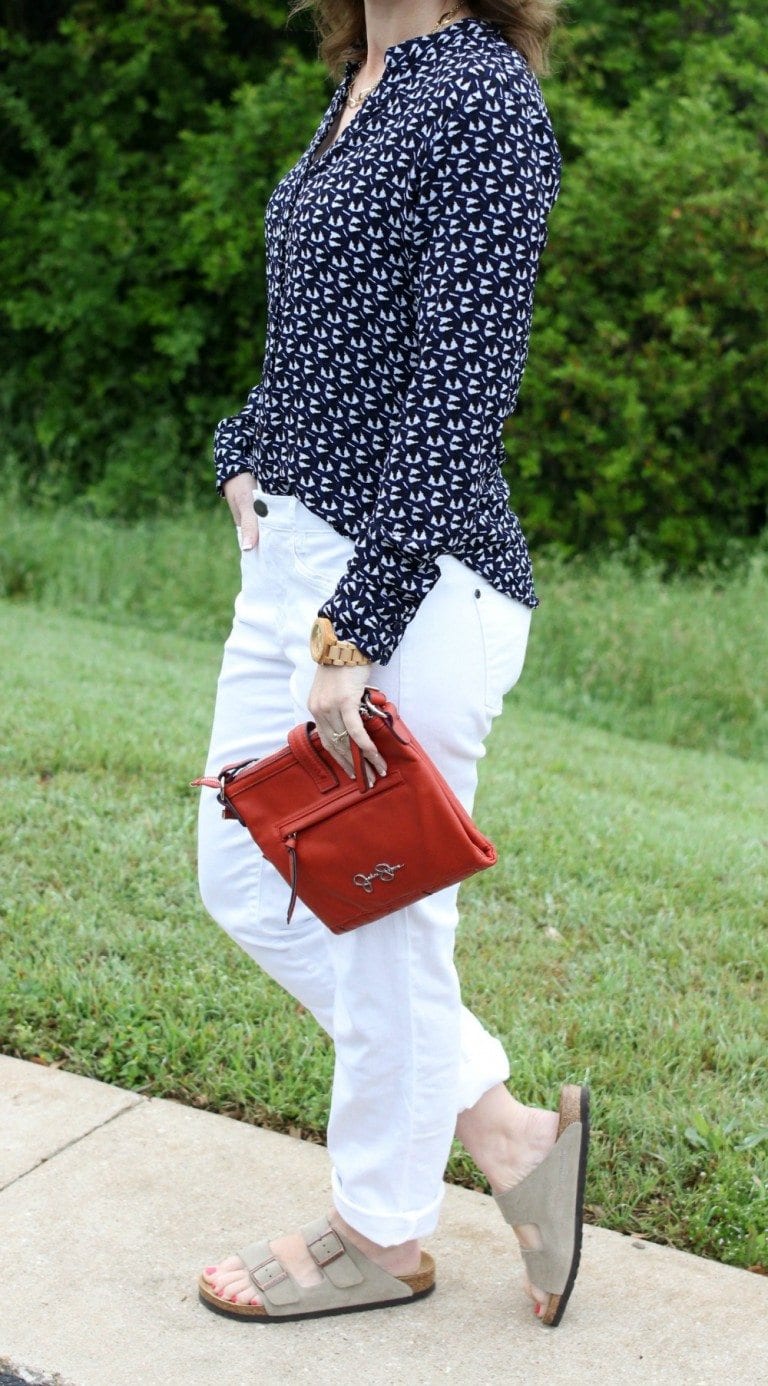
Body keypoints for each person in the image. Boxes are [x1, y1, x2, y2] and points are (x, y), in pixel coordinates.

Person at [196, 0, 589, 1328]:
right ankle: (510, 1135)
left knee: (387, 920)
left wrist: (355, 628)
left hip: (410, 581)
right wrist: (240, 448)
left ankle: (381, 1231)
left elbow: (457, 393)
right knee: (244, 875)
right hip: (296, 559)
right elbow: (321, 334)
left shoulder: (481, 98)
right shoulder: (365, 77)